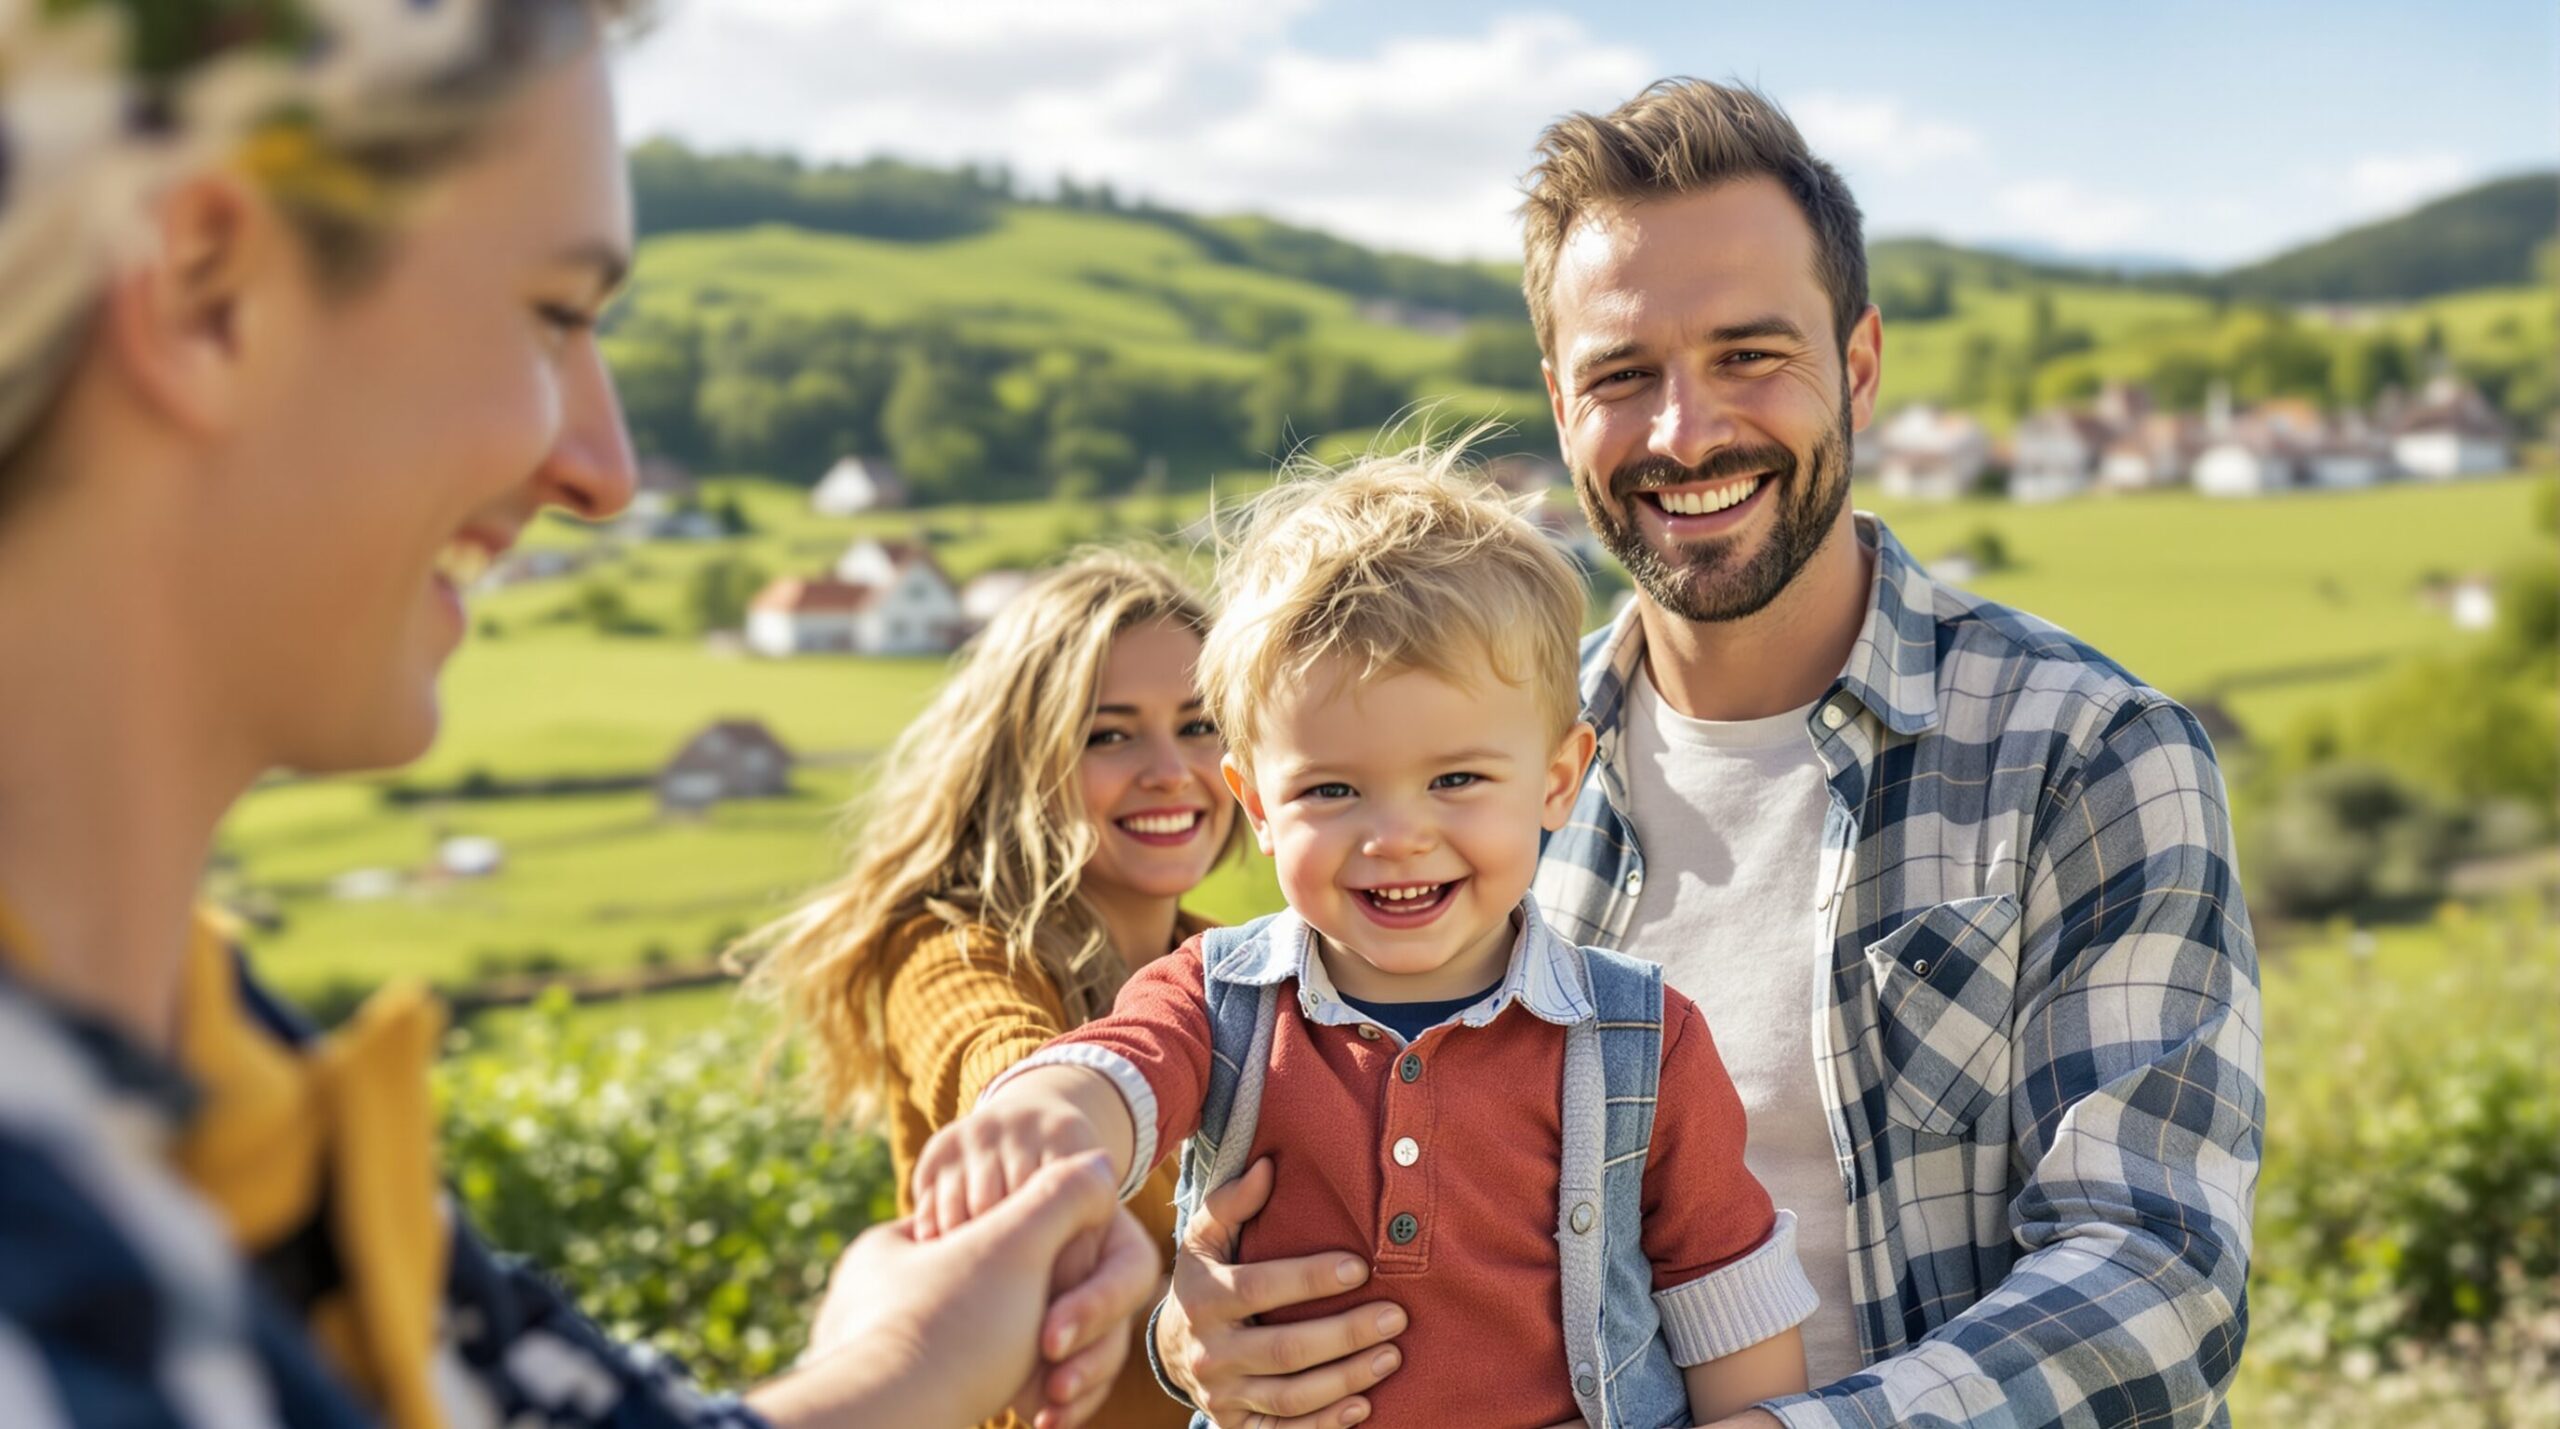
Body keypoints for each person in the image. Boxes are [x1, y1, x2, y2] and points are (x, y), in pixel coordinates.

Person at [0, 2, 1152, 1425]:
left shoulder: (216, 1083)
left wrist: (905, 1364)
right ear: (200, 291)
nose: (603, 468)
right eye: (552, 313)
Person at [1151, 80, 2264, 1429]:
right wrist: (1201, 1330)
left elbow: (2156, 1276)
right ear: (1561, 404)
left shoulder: (2088, 755)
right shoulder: (1470, 775)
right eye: (1625, 375)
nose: (1686, 432)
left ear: (1857, 366)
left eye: (1750, 354)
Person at [915, 450, 1826, 1427]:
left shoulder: (1642, 1039)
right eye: (1332, 790)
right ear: (1257, 805)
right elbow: (1120, 1071)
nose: (1396, 836)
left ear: (1558, 779)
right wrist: (1052, 1113)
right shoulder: (1217, 998)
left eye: (1456, 780)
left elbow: (1727, 1305)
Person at [744, 551, 1242, 1429]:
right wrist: (1057, 1120)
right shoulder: (953, 949)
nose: (1171, 769)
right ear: (1022, 756)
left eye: (1199, 725)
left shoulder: (1232, 966)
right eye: (1109, 734)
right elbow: (998, 1061)